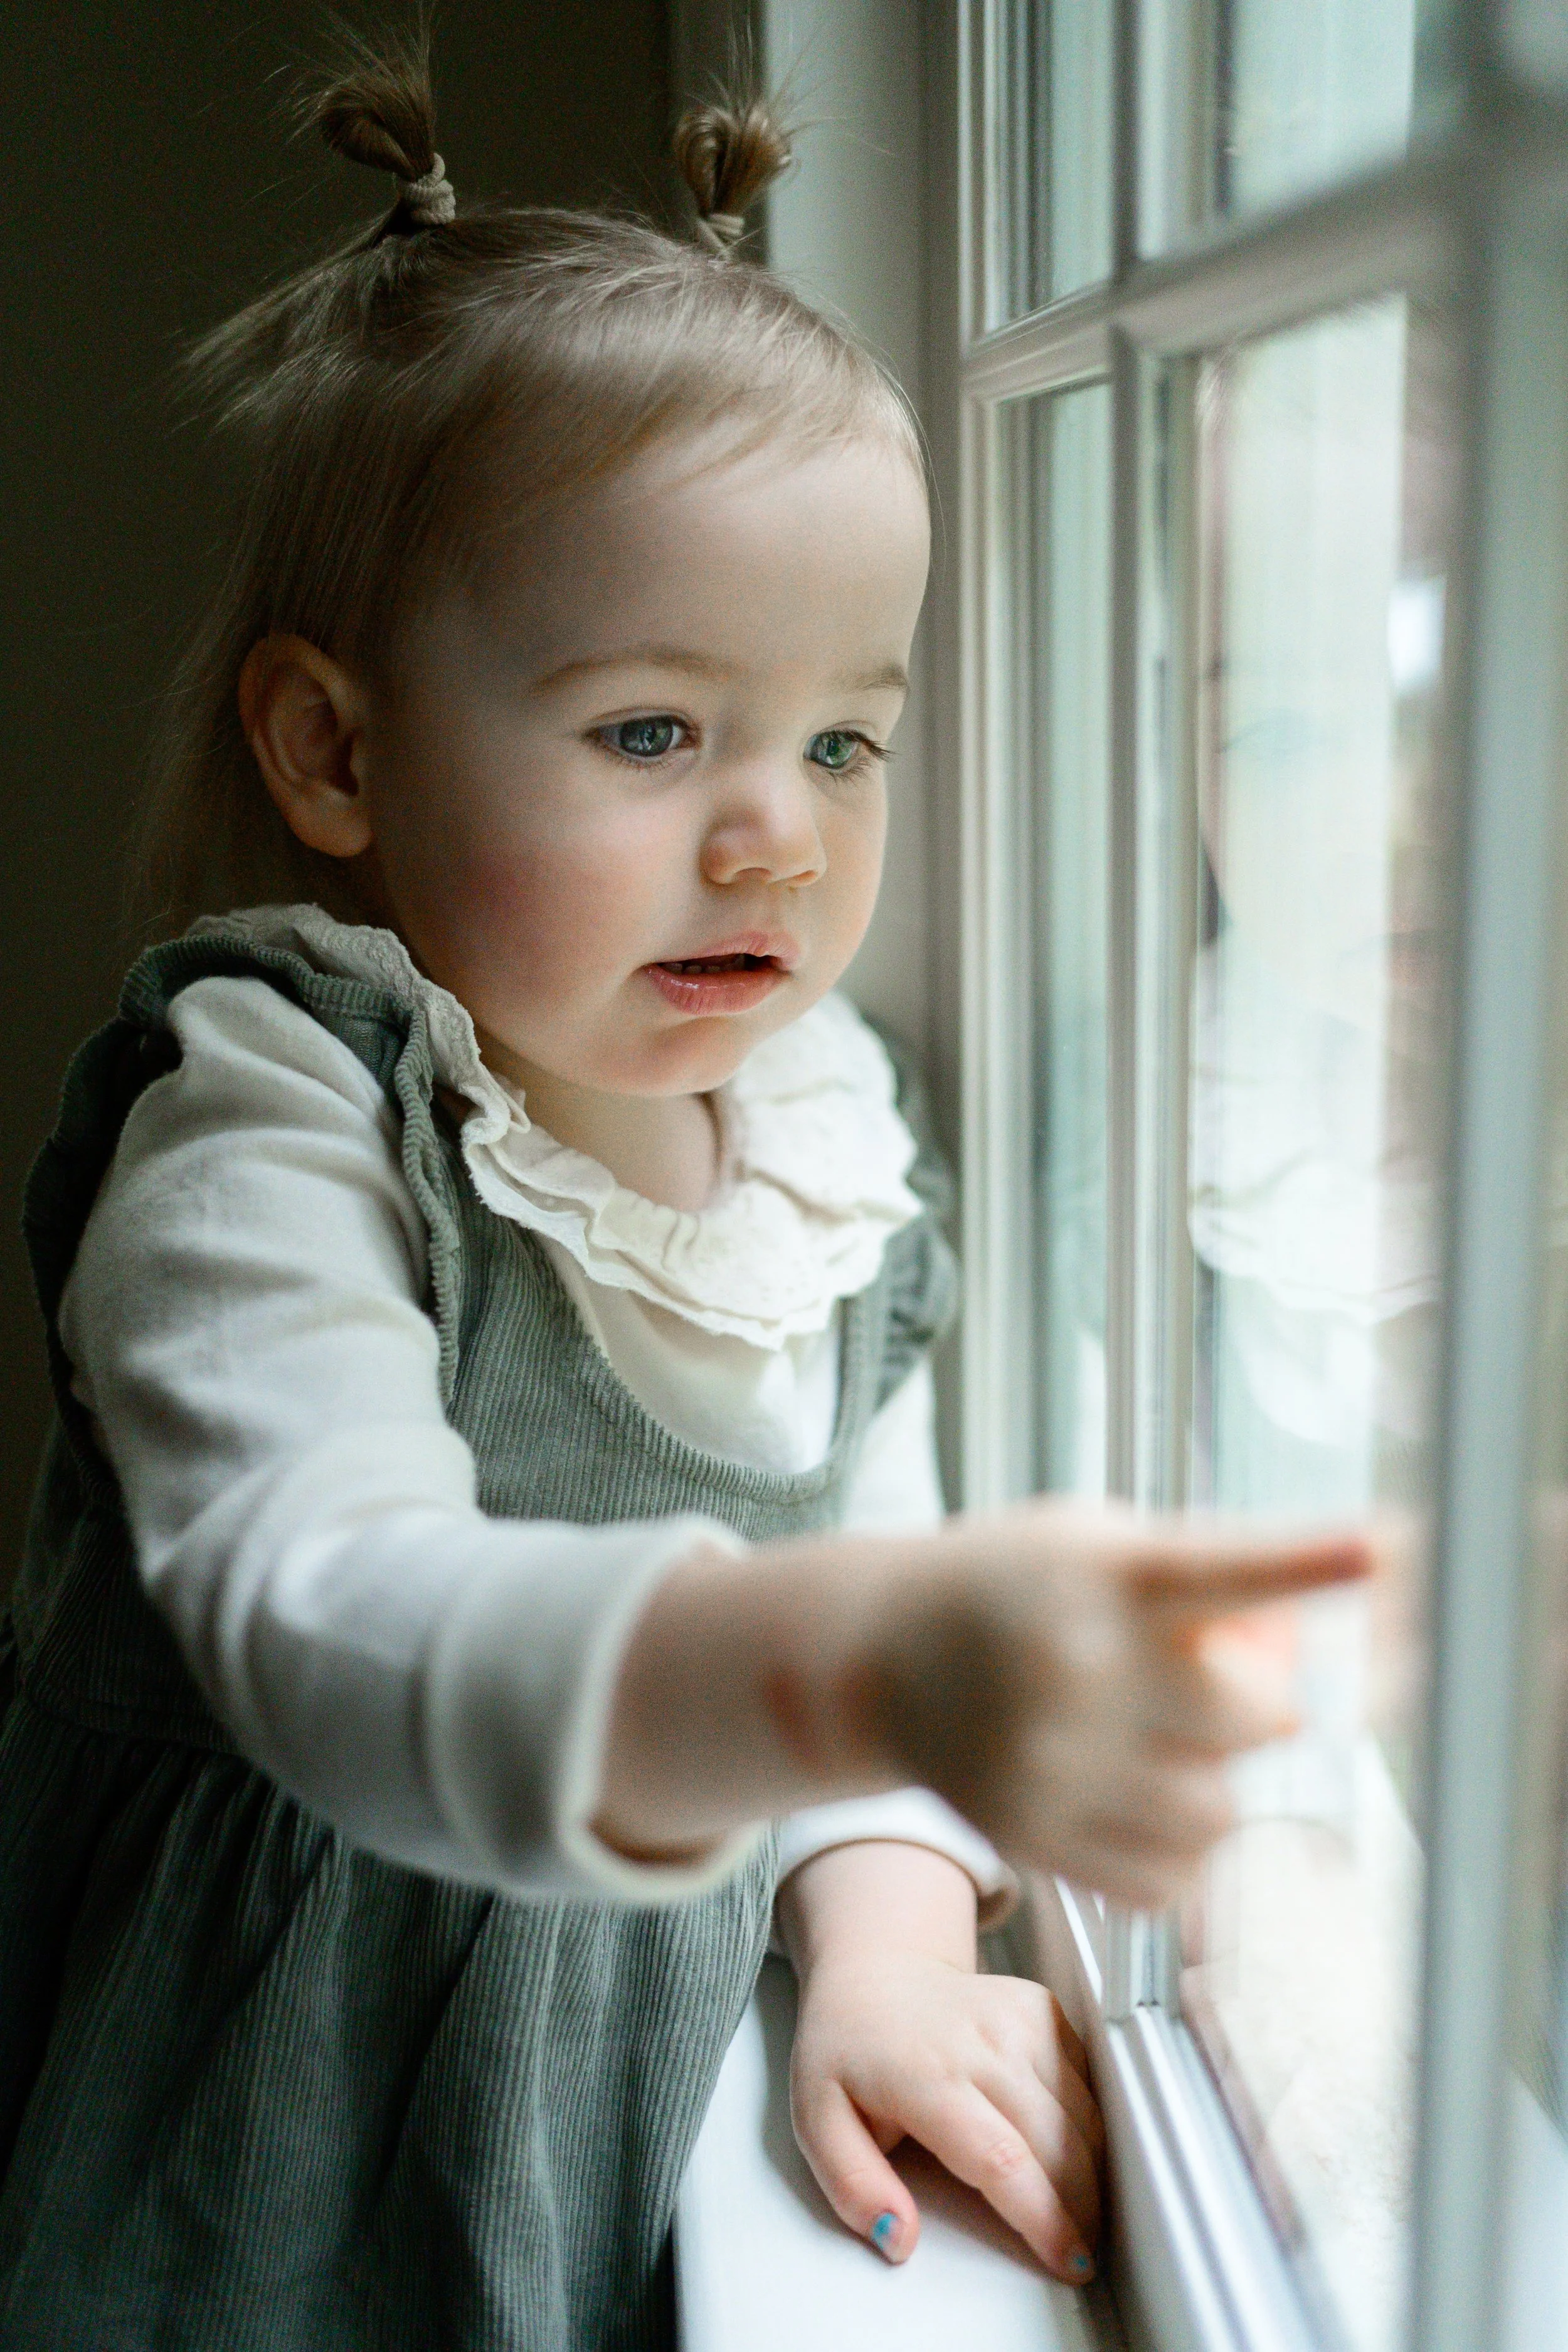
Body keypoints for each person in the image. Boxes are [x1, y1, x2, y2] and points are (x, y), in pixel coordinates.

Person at [0, 28, 1369, 2349]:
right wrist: (870, 1681)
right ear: (335, 749)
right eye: (654, 732)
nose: (780, 834)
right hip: (273, 2144)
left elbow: (858, 1533)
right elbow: (335, 1620)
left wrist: (890, 1940)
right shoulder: (270, 1113)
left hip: (620, 2129)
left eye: (845, 735)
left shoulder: (830, 1134)